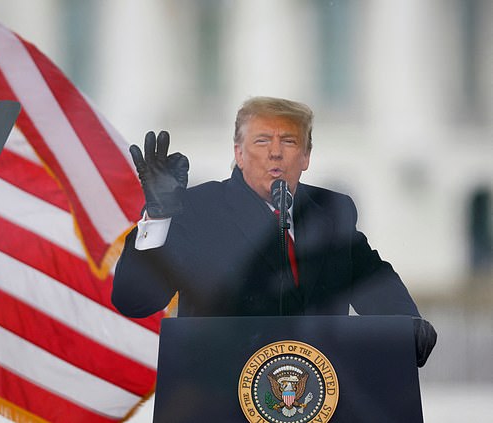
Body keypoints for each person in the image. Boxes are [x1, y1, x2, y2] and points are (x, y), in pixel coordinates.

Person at [112, 96, 436, 367]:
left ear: (306, 156)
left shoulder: (332, 212)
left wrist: (407, 326)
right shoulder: (198, 209)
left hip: (319, 397)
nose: (276, 152)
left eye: (290, 141)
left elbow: (373, 283)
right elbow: (134, 300)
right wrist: (157, 215)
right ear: (238, 153)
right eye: (262, 140)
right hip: (219, 398)